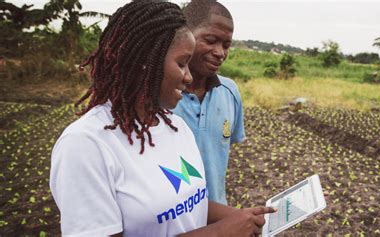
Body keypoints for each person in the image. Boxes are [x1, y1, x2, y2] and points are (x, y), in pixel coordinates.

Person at [49, 1, 275, 236]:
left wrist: (243, 218)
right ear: (145, 63)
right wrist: (220, 233)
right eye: (181, 64)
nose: (188, 78)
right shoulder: (86, 144)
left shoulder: (176, 127)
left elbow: (188, 204)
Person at [173, 0, 244, 205]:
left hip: (217, 216)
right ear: (185, 35)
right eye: (211, 40)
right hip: (173, 222)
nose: (220, 52)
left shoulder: (229, 92)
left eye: (226, 45)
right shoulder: (160, 96)